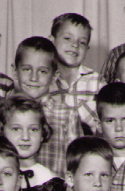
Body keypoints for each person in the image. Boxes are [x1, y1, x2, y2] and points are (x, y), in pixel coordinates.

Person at [0, 94, 67, 191]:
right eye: (16, 129)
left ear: (43, 133)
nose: (25, 137)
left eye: (33, 129)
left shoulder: (53, 183)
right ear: (1, 131)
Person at [12, 36, 82, 176]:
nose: (34, 78)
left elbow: (77, 165)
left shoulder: (67, 115)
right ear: (15, 72)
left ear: (55, 76)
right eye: (27, 69)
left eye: (42, 71)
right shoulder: (7, 113)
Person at [49, 12, 104, 132]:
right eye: (67, 38)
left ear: (87, 49)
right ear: (52, 41)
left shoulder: (97, 82)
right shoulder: (43, 80)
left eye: (82, 42)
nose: (74, 45)